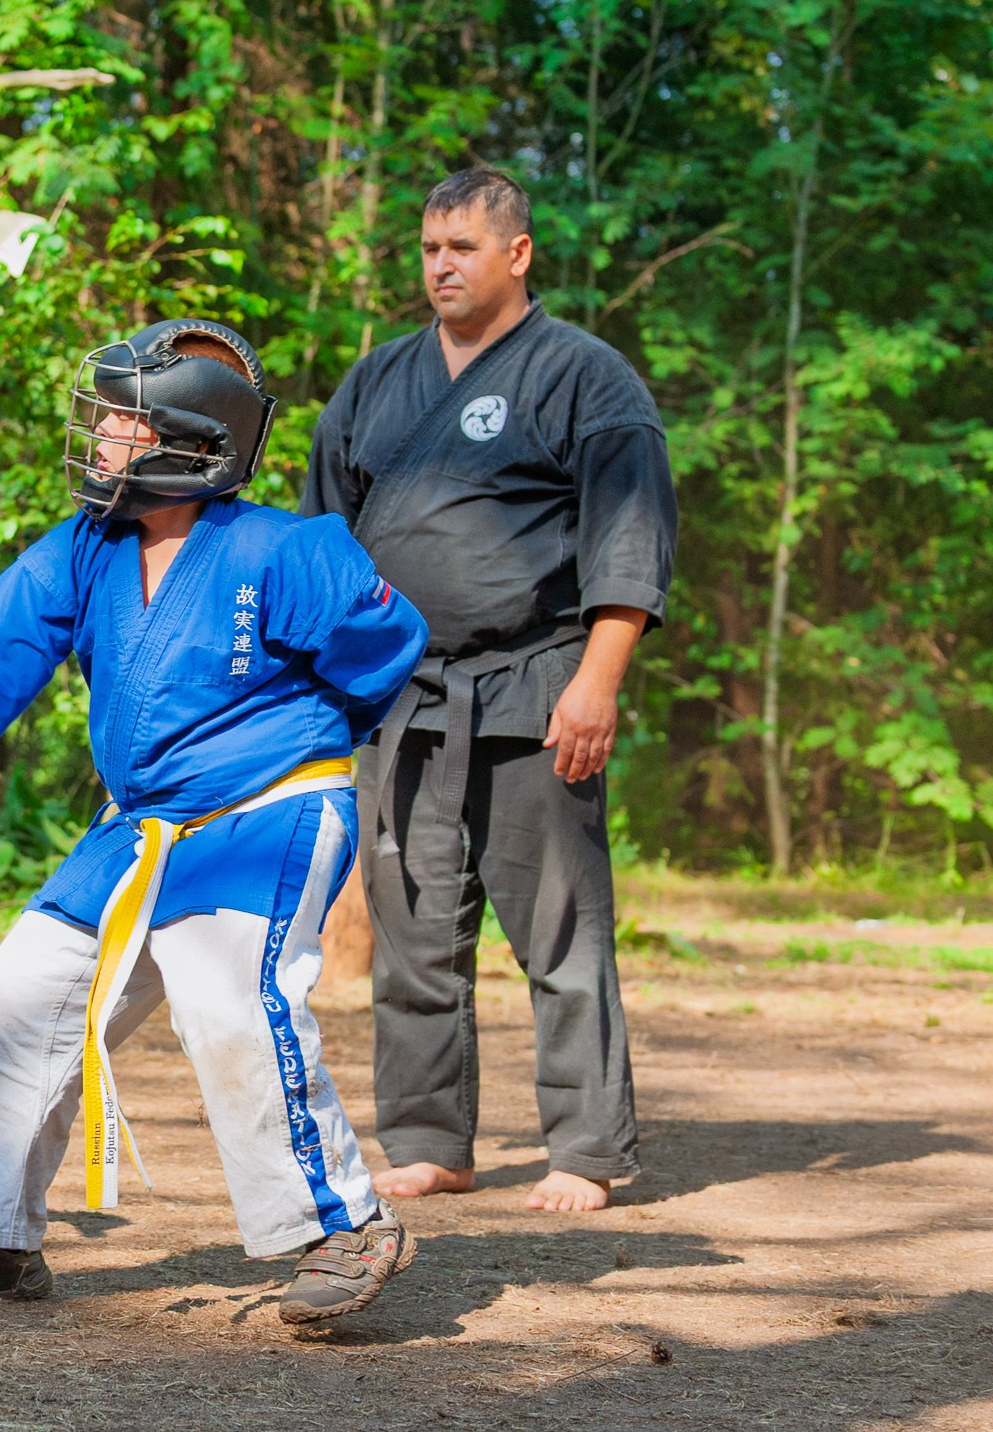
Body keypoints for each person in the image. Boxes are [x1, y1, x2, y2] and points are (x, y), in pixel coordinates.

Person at [0, 318, 431, 1324]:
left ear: (190, 437)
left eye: (120, 418)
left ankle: (344, 1229)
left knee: (228, 1002)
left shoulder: (285, 549)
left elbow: (384, 649)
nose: (101, 435)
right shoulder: (86, 547)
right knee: (16, 1001)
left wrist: (273, 739)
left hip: (264, 811)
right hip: (138, 827)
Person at [302, 168, 677, 1214]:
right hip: (402, 698)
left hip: (535, 683)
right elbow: (324, 542)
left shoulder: (584, 378)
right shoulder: (377, 382)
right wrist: (326, 690)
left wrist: (596, 682)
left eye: (460, 247)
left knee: (559, 931)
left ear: (516, 254)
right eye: (428, 248)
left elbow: (628, 538)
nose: (438, 267)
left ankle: (586, 1149)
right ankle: (429, 1139)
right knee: (412, 928)